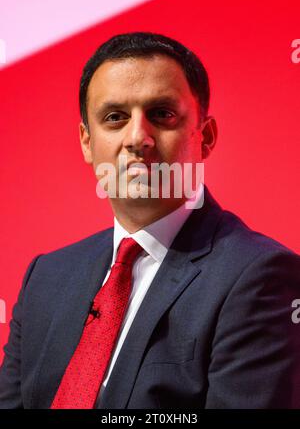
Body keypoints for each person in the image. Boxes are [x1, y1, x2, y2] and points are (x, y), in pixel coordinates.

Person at [0, 32, 299, 409]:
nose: (137, 137)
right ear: (87, 142)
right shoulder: (46, 276)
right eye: (114, 118)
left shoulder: (260, 276)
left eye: (161, 114)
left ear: (205, 137)